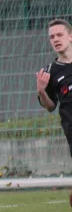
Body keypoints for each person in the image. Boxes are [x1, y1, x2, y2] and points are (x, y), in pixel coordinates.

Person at [37, 19, 72, 157]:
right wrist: (41, 91)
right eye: (52, 37)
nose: (55, 39)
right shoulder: (49, 72)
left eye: (59, 35)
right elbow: (50, 106)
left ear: (70, 36)